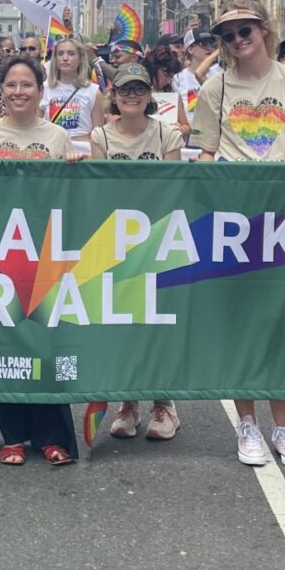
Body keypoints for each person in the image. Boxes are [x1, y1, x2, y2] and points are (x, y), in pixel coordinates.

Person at [191, 0, 285, 469]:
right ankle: (247, 423)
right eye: (227, 35)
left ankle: (283, 428)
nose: (237, 40)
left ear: (264, 29)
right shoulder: (215, 89)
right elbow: (206, 154)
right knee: (241, 323)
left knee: (283, 322)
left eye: (244, 30)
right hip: (234, 222)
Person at [0, 56, 83, 464]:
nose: (18, 92)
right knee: (4, 343)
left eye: (27, 84)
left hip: (44, 254)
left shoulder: (57, 137)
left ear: (40, 91)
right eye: (11, 84)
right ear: (2, 90)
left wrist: (73, 168)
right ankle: (11, 435)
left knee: (45, 342)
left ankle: (52, 436)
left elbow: (69, 197)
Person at [90, 63, 184, 443]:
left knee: (157, 324)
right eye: (125, 89)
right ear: (113, 95)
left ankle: (164, 403)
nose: (132, 95)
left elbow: (173, 189)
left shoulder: (167, 133)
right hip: (116, 240)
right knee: (121, 323)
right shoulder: (100, 136)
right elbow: (99, 191)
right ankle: (128, 402)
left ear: (149, 95)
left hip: (158, 238)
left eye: (139, 89)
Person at [45, 37, 105, 138]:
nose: (65, 58)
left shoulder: (94, 92)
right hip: (53, 146)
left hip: (83, 147)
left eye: (71, 54)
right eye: (60, 54)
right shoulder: (44, 89)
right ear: (55, 58)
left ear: (80, 59)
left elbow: (98, 137)